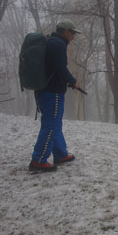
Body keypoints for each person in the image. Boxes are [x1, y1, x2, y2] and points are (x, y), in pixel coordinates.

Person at [28, 20, 81, 172]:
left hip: (43, 90)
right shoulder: (58, 44)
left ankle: (60, 154)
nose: (73, 36)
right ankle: (38, 160)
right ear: (64, 31)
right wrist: (72, 81)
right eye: (72, 33)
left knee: (54, 123)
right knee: (51, 125)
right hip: (52, 92)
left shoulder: (49, 41)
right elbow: (60, 68)